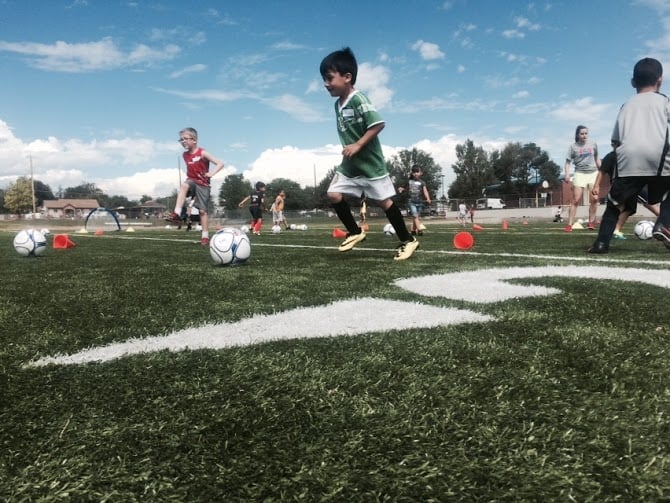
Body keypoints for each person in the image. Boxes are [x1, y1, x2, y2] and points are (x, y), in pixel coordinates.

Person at [319, 47, 418, 260]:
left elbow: (378, 123)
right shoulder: (338, 105)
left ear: (347, 77)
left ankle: (408, 240)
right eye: (324, 79)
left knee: (384, 202)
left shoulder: (358, 99)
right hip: (350, 165)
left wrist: (357, 145)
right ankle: (355, 232)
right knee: (333, 194)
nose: (326, 84)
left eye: (329, 78)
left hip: (370, 164)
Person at [589, 57, 670, 253]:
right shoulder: (665, 101)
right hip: (658, 157)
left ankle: (601, 244)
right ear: (660, 79)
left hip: (628, 160)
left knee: (614, 205)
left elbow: (615, 141)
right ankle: (663, 224)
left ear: (633, 82)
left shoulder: (625, 106)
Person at [165, 127, 225, 246]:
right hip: (192, 181)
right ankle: (176, 213)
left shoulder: (202, 152)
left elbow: (220, 163)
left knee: (202, 211)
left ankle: (205, 237)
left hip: (203, 184)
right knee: (184, 185)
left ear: (194, 140)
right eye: (181, 140)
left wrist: (211, 173)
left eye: (185, 139)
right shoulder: (184, 155)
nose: (183, 141)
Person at [592, 147, 659, 240]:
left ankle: (615, 230)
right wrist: (596, 186)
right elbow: (602, 171)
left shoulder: (631, 155)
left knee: (629, 209)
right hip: (626, 186)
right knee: (654, 208)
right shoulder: (611, 156)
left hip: (633, 184)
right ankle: (664, 228)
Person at [564, 125, 601, 232]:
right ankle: (569, 225)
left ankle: (591, 222)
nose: (584, 135)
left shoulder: (593, 144)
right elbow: (567, 162)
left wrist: (602, 170)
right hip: (579, 173)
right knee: (576, 200)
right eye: (582, 133)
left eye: (586, 133)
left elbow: (597, 158)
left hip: (593, 173)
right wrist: (567, 174)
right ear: (577, 135)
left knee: (594, 199)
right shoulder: (573, 147)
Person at [398, 165, 431, 236]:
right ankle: (419, 230)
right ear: (412, 173)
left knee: (416, 217)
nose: (416, 173)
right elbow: (404, 188)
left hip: (420, 202)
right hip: (411, 201)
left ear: (420, 173)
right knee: (415, 215)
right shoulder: (409, 181)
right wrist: (401, 189)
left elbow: (425, 191)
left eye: (417, 172)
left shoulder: (422, 182)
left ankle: (413, 230)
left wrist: (428, 198)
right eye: (414, 172)